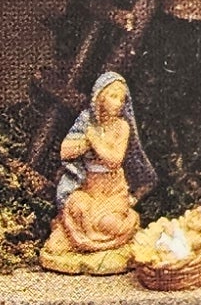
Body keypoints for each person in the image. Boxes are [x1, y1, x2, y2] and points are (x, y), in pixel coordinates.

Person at [39, 70, 144, 273]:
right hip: (87, 187)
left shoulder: (121, 127)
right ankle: (78, 240)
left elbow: (114, 160)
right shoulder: (86, 120)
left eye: (122, 99)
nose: (118, 103)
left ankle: (128, 225)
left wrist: (93, 140)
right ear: (100, 97)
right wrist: (86, 141)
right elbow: (65, 151)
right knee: (77, 208)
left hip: (112, 192)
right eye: (113, 96)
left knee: (107, 223)